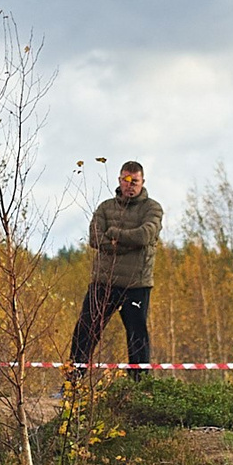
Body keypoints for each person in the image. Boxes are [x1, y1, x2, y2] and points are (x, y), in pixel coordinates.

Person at [70, 161, 163, 377]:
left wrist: (113, 234)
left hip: (136, 285)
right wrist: (126, 245)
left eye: (135, 181)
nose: (130, 185)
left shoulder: (153, 208)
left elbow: (144, 236)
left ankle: (140, 386)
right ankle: (72, 381)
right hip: (104, 282)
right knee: (85, 330)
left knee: (136, 336)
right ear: (119, 180)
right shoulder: (105, 207)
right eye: (126, 180)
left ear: (143, 182)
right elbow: (95, 238)